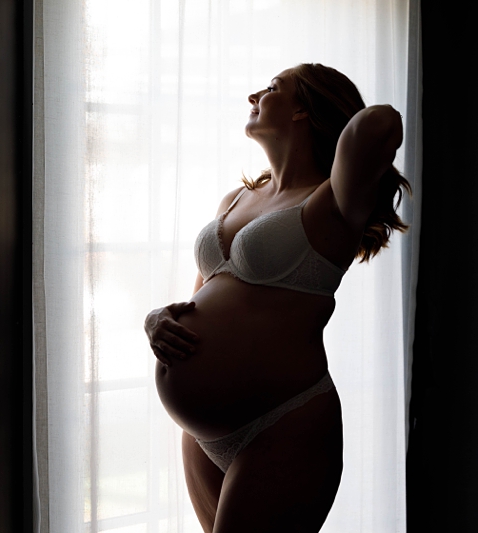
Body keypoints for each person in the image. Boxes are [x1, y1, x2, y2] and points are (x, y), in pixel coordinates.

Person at [144, 63, 409, 533]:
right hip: (201, 435)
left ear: (304, 109)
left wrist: (323, 89)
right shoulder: (234, 200)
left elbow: (381, 122)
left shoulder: (335, 202)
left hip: (284, 426)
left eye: (271, 88)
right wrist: (157, 320)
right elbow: (200, 297)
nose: (254, 96)